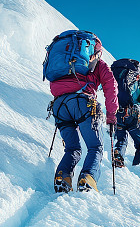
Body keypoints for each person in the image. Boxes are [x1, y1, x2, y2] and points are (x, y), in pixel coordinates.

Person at [48, 33, 118, 192]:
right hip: (83, 103)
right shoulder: (98, 63)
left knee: (72, 148)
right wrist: (111, 115)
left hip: (59, 105)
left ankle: (62, 176)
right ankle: (88, 178)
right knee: (95, 147)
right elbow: (110, 86)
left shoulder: (64, 60)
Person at [110, 59, 140, 167]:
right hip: (133, 116)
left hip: (118, 114)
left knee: (121, 139)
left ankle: (118, 155)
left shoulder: (117, 84)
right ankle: (139, 166)